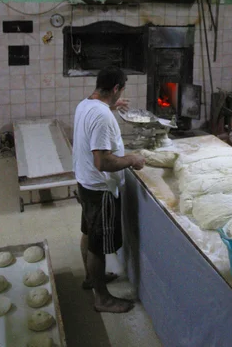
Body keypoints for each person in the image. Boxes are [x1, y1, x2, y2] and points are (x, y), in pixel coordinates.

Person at [73, 66, 145, 314]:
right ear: (115, 88)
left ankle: (91, 279)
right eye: (121, 90)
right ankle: (101, 298)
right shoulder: (103, 117)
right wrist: (132, 159)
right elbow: (103, 162)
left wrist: (111, 106)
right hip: (101, 188)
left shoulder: (86, 104)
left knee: (88, 232)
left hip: (85, 182)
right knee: (98, 245)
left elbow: (98, 114)